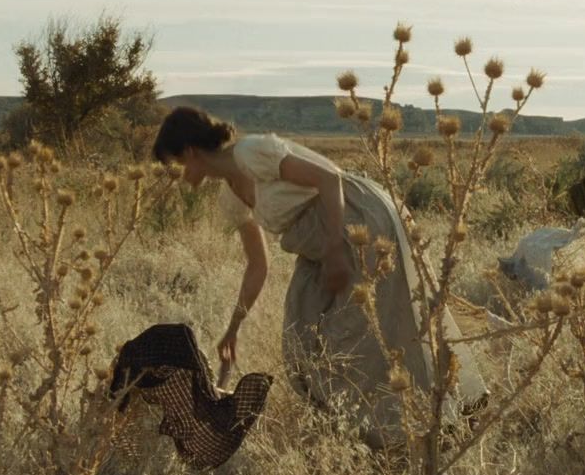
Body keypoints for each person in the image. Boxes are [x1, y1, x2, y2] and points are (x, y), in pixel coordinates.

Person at [151, 106, 487, 447]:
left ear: (190, 152)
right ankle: (377, 432)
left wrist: (336, 251)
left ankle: (429, 429)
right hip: (318, 246)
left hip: (358, 221)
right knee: (302, 341)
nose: (173, 174)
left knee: (380, 331)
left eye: (173, 164)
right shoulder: (229, 199)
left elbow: (330, 179)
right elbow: (258, 265)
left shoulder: (251, 153)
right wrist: (233, 328)